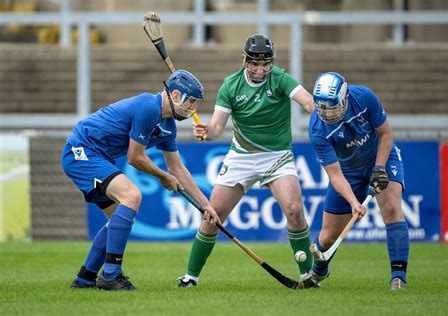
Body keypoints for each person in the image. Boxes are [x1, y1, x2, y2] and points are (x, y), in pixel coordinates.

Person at [177, 34, 316, 287]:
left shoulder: (281, 79)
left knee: (295, 210)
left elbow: (307, 101)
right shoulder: (230, 85)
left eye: (266, 64)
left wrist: (320, 109)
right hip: (241, 156)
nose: (261, 70)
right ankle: (190, 276)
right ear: (245, 60)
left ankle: (309, 275)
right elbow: (218, 127)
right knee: (213, 215)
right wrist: (207, 131)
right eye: (255, 63)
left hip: (277, 157)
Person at [62, 69, 220, 291]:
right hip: (82, 151)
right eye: (191, 102)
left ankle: (85, 278)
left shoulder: (168, 125)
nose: (193, 108)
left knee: (118, 217)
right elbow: (135, 157)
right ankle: (110, 276)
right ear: (175, 96)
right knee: (132, 195)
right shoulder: (148, 107)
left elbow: (177, 168)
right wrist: (163, 177)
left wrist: (206, 205)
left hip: (100, 157)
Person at [307, 72, 409, 290]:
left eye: (331, 106)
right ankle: (319, 271)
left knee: (391, 208)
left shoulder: (363, 97)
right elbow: (334, 174)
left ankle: (398, 277)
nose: (326, 113)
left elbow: (386, 134)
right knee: (327, 237)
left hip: (381, 156)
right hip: (347, 171)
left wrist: (379, 168)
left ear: (344, 98)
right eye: (321, 107)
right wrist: (354, 202)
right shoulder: (317, 129)